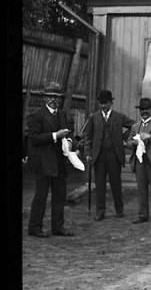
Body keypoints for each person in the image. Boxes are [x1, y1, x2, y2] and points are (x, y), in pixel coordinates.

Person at [26, 82, 75, 237]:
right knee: (41, 195)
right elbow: (34, 138)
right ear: (44, 98)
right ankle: (35, 228)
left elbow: (67, 135)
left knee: (59, 196)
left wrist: (69, 143)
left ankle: (58, 227)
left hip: (59, 161)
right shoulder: (36, 115)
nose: (53, 100)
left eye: (56, 97)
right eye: (50, 96)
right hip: (43, 162)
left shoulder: (61, 114)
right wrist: (55, 136)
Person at [84, 90, 135, 221]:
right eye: (101, 103)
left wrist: (123, 138)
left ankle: (119, 209)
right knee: (100, 184)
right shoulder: (93, 117)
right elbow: (87, 137)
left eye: (105, 103)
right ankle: (100, 211)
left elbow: (134, 126)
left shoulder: (119, 117)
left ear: (111, 103)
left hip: (114, 155)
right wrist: (88, 153)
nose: (103, 106)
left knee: (116, 183)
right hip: (99, 156)